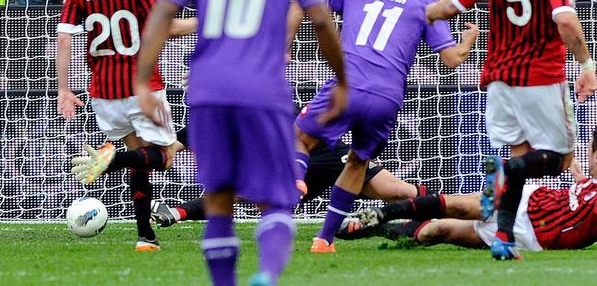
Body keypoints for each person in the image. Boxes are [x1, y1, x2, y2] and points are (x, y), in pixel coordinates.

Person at [134, 0, 347, 284]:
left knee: (219, 199)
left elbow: (162, 15)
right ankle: (266, 273)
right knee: (279, 196)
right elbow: (319, 19)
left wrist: (143, 80)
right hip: (263, 88)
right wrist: (343, 80)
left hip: (208, 89)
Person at [426, 0, 597, 260]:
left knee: (519, 155)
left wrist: (421, 14)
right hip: (542, 79)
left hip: (500, 81)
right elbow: (565, 19)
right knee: (562, 157)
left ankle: (502, 234)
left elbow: (453, 5)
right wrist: (586, 64)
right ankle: (509, 189)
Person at [293, 0, 479, 254]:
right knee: (357, 163)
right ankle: (324, 240)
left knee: (300, 139)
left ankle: (296, 178)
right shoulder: (425, 3)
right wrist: (469, 39)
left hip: (346, 84)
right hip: (386, 98)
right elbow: (452, 61)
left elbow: (307, 0)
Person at [56, 0, 190, 251]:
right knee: (162, 157)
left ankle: (146, 236)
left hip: (103, 92)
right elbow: (168, 28)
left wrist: (63, 89)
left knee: (138, 155)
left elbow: (65, 38)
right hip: (143, 86)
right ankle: (111, 160)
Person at [338, 126, 597, 252]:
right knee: (461, 207)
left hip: (528, 235)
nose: (586, 155)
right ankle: (372, 217)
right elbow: (586, 198)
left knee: (434, 232)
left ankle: (375, 229)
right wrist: (575, 172)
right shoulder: (596, 183)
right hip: (524, 201)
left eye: (589, 151)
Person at [151, 110, 432, 228]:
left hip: (327, 158)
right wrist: (163, 155)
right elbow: (180, 142)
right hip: (287, 174)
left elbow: (307, 131)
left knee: (396, 191)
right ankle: (174, 213)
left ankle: (435, 214)